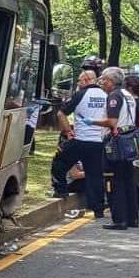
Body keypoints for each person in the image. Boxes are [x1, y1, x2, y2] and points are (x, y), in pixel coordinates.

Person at [50, 67, 107, 218]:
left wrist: (68, 131)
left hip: (81, 140)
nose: (78, 83)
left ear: (87, 80)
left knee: (59, 162)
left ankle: (61, 190)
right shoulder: (106, 95)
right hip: (98, 142)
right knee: (95, 175)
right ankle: (98, 209)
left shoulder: (80, 94)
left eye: (79, 80)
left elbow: (61, 113)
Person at [97, 67, 139, 230]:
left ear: (112, 81)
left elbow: (112, 122)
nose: (103, 83)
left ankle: (119, 219)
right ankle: (132, 218)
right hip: (128, 140)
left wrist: (92, 122)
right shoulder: (128, 95)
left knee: (113, 181)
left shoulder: (114, 95)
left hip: (115, 142)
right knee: (128, 180)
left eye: (105, 80)